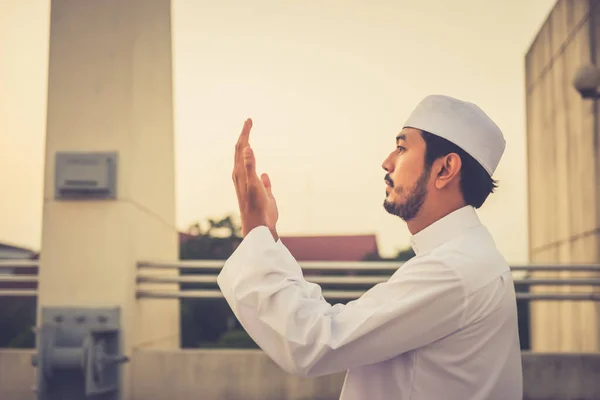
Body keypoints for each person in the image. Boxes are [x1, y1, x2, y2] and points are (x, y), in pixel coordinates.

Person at [218, 94, 523, 400]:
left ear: (445, 169)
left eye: (402, 148)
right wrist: (266, 234)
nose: (387, 162)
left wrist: (255, 229)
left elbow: (313, 341)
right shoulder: (470, 256)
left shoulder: (454, 269)